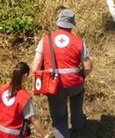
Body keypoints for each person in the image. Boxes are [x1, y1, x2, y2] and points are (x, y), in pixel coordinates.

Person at [31, 9, 93, 138]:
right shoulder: (79, 42)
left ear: (58, 23)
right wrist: (81, 75)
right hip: (74, 83)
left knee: (59, 120)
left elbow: (35, 66)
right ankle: (77, 124)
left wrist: (37, 83)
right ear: (72, 25)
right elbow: (87, 67)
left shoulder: (45, 40)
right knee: (77, 97)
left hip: (54, 86)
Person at [0, 62, 50, 138]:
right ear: (25, 75)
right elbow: (33, 119)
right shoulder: (24, 96)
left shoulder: (2, 88)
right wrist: (45, 135)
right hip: (12, 134)